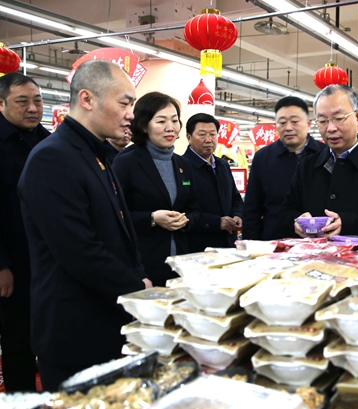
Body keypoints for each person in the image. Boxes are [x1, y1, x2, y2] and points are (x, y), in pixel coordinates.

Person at [18, 60, 151, 391]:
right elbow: (78, 249)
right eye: (124, 103)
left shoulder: (95, 153)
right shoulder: (53, 157)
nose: (131, 115)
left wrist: (138, 277)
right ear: (88, 99)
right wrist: (136, 286)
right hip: (75, 329)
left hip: (106, 319)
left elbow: (118, 230)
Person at [278, 85, 358, 238]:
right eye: (322, 120)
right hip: (314, 252)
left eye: (339, 118)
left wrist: (348, 224)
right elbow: (285, 211)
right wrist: (295, 221)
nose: (330, 128)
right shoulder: (307, 166)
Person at [113, 92, 199, 286]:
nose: (170, 127)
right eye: (161, 121)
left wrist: (185, 220)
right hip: (144, 265)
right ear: (144, 125)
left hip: (180, 265)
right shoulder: (126, 163)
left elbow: (195, 209)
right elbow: (115, 215)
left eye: (174, 120)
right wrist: (152, 218)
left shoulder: (183, 164)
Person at [0, 73, 48, 392]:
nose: (32, 108)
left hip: (45, 259)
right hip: (12, 262)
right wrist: (1, 265)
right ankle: (20, 405)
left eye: (37, 101)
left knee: (46, 332)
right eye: (22, 102)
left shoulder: (47, 140)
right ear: (1, 103)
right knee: (17, 338)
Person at [243, 96, 324, 240]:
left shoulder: (324, 154)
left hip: (319, 240)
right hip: (275, 241)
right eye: (282, 122)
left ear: (308, 123)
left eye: (294, 121)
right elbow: (252, 208)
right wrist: (251, 244)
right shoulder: (263, 158)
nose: (288, 127)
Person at [182, 113, 243, 251]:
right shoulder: (181, 167)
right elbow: (182, 212)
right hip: (197, 247)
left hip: (228, 244)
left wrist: (238, 215)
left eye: (213, 134)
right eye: (202, 135)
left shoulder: (223, 165)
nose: (208, 140)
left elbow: (235, 198)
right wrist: (216, 222)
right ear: (189, 137)